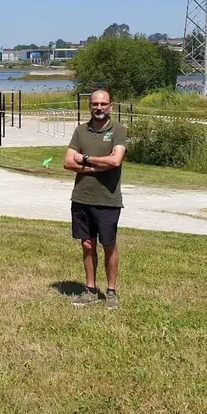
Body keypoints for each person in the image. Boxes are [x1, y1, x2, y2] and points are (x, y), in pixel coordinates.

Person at [63, 89, 128, 308]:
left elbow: (116, 161)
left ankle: (111, 292)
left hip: (108, 199)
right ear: (89, 106)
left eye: (103, 104)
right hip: (82, 197)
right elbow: (68, 162)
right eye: (94, 104)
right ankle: (90, 289)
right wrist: (96, 168)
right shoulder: (81, 131)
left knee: (109, 245)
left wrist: (86, 159)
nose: (99, 108)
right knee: (88, 245)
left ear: (111, 105)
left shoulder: (118, 130)